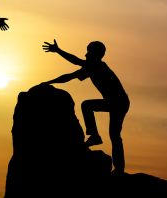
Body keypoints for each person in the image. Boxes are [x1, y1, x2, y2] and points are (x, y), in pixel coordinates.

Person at [41, 39, 130, 174]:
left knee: (90, 109)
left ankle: (96, 138)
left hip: (119, 102)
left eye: (88, 51)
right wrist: (49, 82)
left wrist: (58, 51)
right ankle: (118, 166)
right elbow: (70, 76)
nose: (86, 54)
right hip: (119, 102)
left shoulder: (97, 66)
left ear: (95, 54)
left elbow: (75, 62)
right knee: (114, 134)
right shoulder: (92, 67)